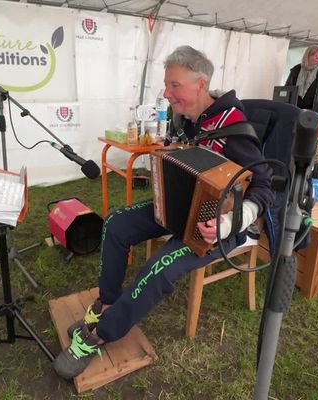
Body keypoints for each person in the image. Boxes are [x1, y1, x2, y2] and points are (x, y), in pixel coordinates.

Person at [52, 45, 275, 380]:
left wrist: (229, 223)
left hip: (219, 227)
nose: (166, 93)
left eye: (174, 85)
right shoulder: (190, 120)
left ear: (200, 84)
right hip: (180, 211)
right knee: (115, 223)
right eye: (167, 85)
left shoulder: (233, 126)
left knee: (159, 266)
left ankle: (101, 334)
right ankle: (108, 304)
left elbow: (265, 186)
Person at [284, 45, 318, 115]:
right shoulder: (296, 69)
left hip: (315, 109)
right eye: (314, 55)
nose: (317, 58)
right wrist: (284, 103)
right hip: (296, 108)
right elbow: (287, 87)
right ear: (307, 56)